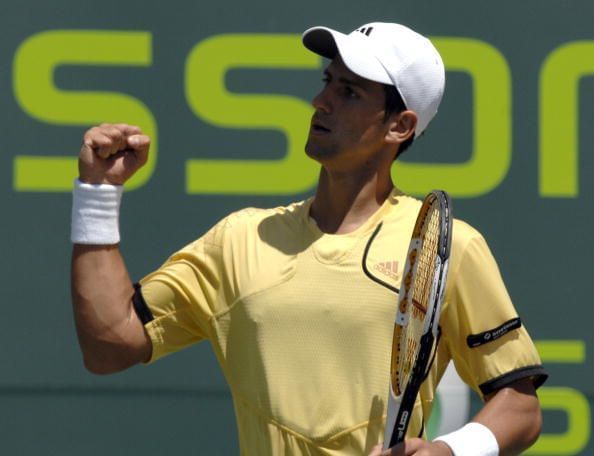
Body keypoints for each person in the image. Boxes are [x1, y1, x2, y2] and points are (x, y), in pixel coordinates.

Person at [70, 22, 547, 455]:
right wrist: (97, 193)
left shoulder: (448, 247)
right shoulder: (239, 239)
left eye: (350, 92)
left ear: (399, 126)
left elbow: (520, 407)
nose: (322, 102)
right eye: (327, 83)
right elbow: (109, 345)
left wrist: (449, 452)